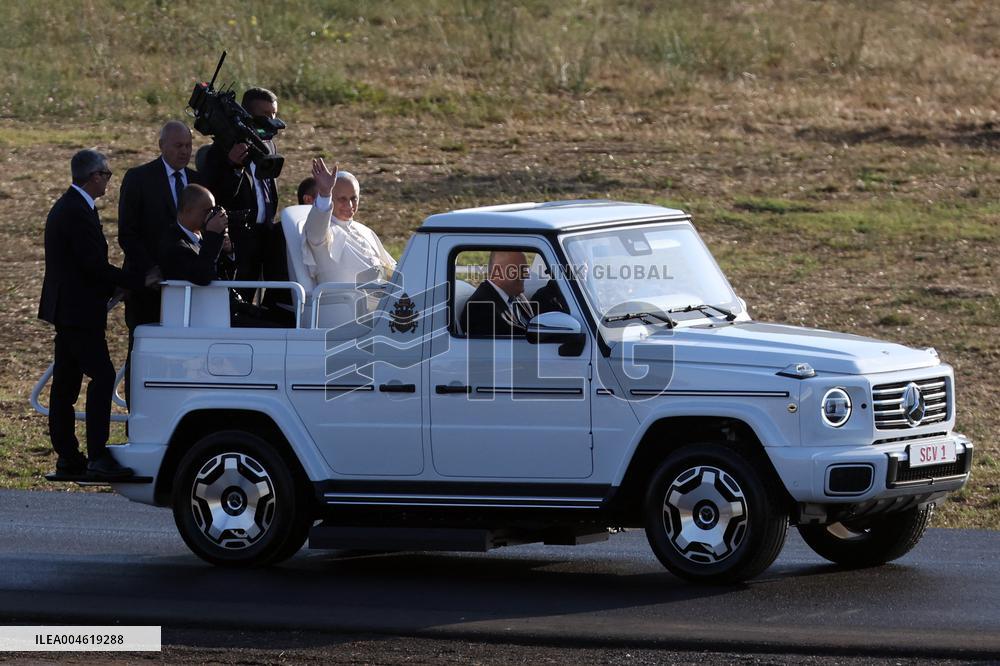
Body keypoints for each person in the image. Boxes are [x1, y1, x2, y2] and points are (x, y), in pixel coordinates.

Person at [38, 149, 158, 479]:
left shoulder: (73, 206)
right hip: (78, 312)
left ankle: (68, 456)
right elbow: (93, 266)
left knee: (66, 384)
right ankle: (96, 454)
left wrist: (117, 285)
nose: (109, 179)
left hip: (71, 309)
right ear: (94, 177)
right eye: (106, 173)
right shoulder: (76, 211)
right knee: (102, 377)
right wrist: (137, 281)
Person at [117, 120, 199, 405]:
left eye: (188, 145)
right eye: (178, 146)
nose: (184, 151)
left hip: (186, 288)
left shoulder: (197, 180)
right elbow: (127, 233)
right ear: (161, 145)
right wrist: (150, 269)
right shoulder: (139, 178)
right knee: (142, 355)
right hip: (147, 287)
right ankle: (137, 417)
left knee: (181, 359)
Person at [201, 88, 282, 304]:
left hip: (265, 236)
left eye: (274, 115)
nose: (272, 121)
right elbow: (215, 194)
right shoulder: (221, 150)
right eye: (265, 115)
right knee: (239, 303)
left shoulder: (269, 145)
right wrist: (233, 166)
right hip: (239, 242)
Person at [303, 158, 396, 285]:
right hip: (346, 300)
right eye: (342, 199)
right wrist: (325, 193)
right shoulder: (321, 233)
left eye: (354, 198)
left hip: (382, 295)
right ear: (331, 198)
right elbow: (317, 228)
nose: (349, 204)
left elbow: (391, 267)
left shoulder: (365, 230)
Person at [159, 184, 228, 286]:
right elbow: (202, 276)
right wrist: (213, 236)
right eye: (208, 211)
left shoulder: (206, 237)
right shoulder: (174, 243)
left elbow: (224, 275)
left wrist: (228, 250)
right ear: (187, 210)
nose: (211, 216)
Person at [462, 250, 537, 337]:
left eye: (525, 269)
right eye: (520, 270)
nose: (526, 275)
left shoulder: (517, 296)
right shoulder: (480, 307)